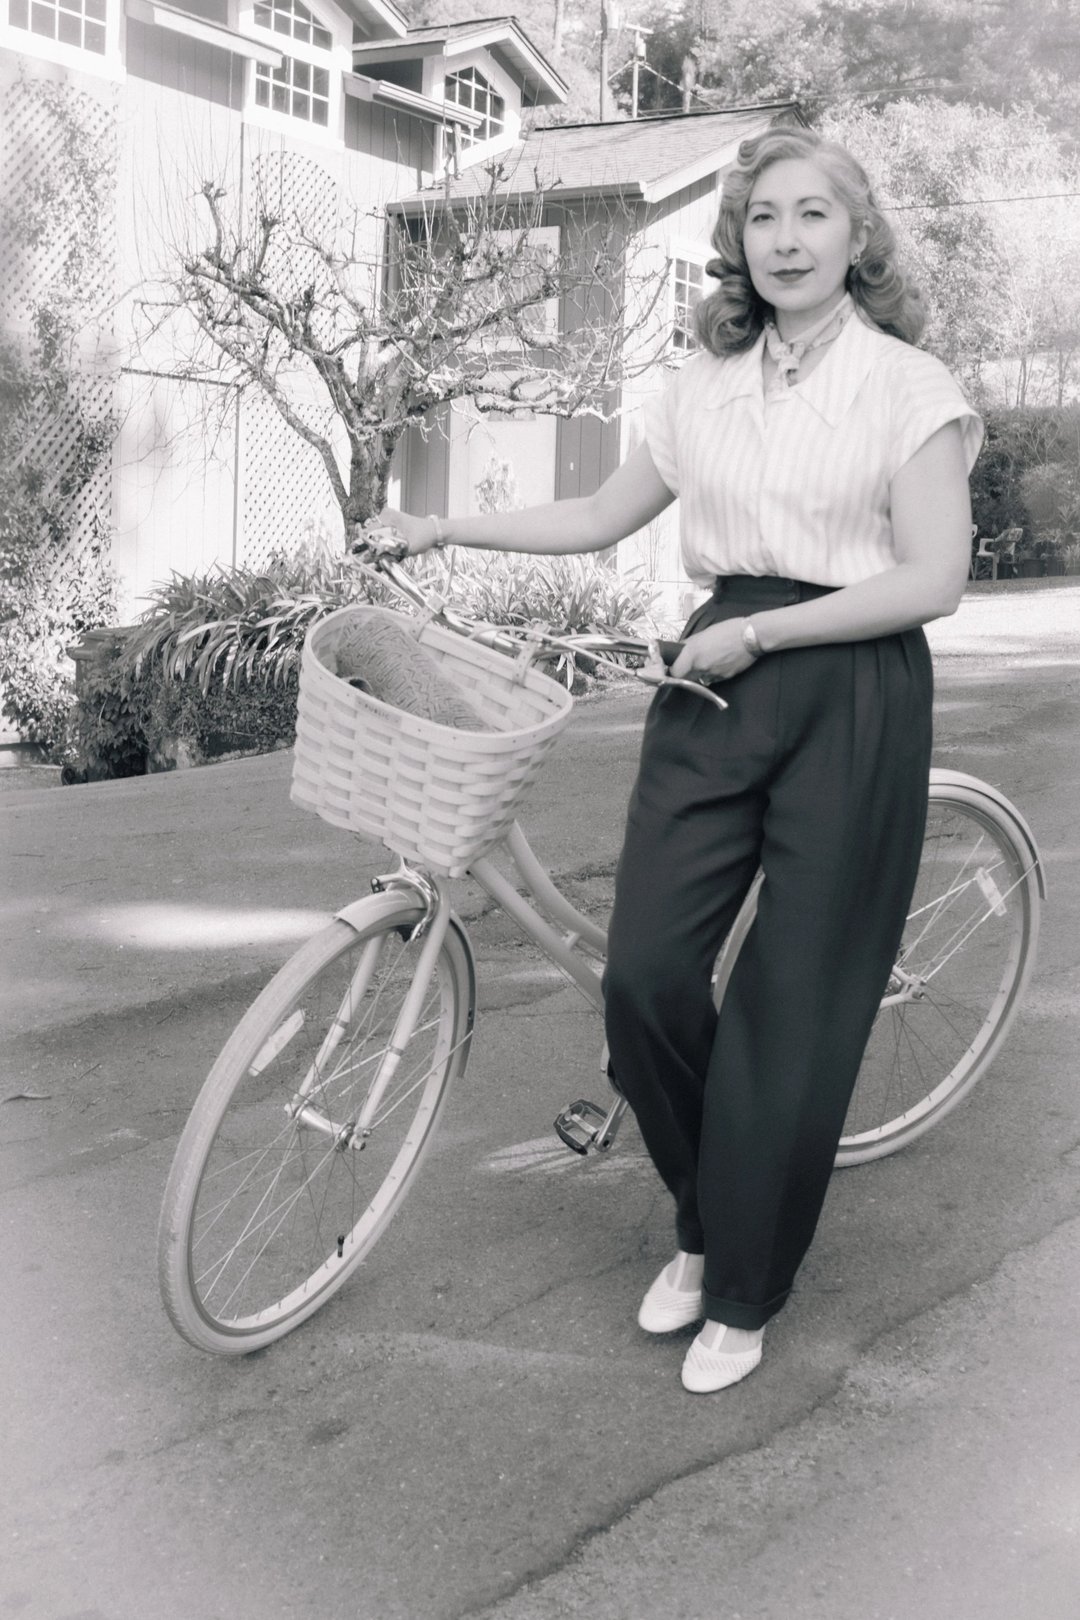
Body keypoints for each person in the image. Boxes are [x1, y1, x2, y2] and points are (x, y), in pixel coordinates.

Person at [379, 126, 983, 1394]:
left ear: (857, 239)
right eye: (764, 216)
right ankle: (714, 1205)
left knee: (791, 1001)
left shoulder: (909, 388)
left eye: (814, 214)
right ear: (739, 240)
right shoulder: (700, 386)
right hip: (711, 683)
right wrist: (438, 526)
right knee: (647, 971)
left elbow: (932, 578)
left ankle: (740, 1276)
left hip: (846, 680)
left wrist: (760, 630)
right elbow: (600, 515)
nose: (787, 238)